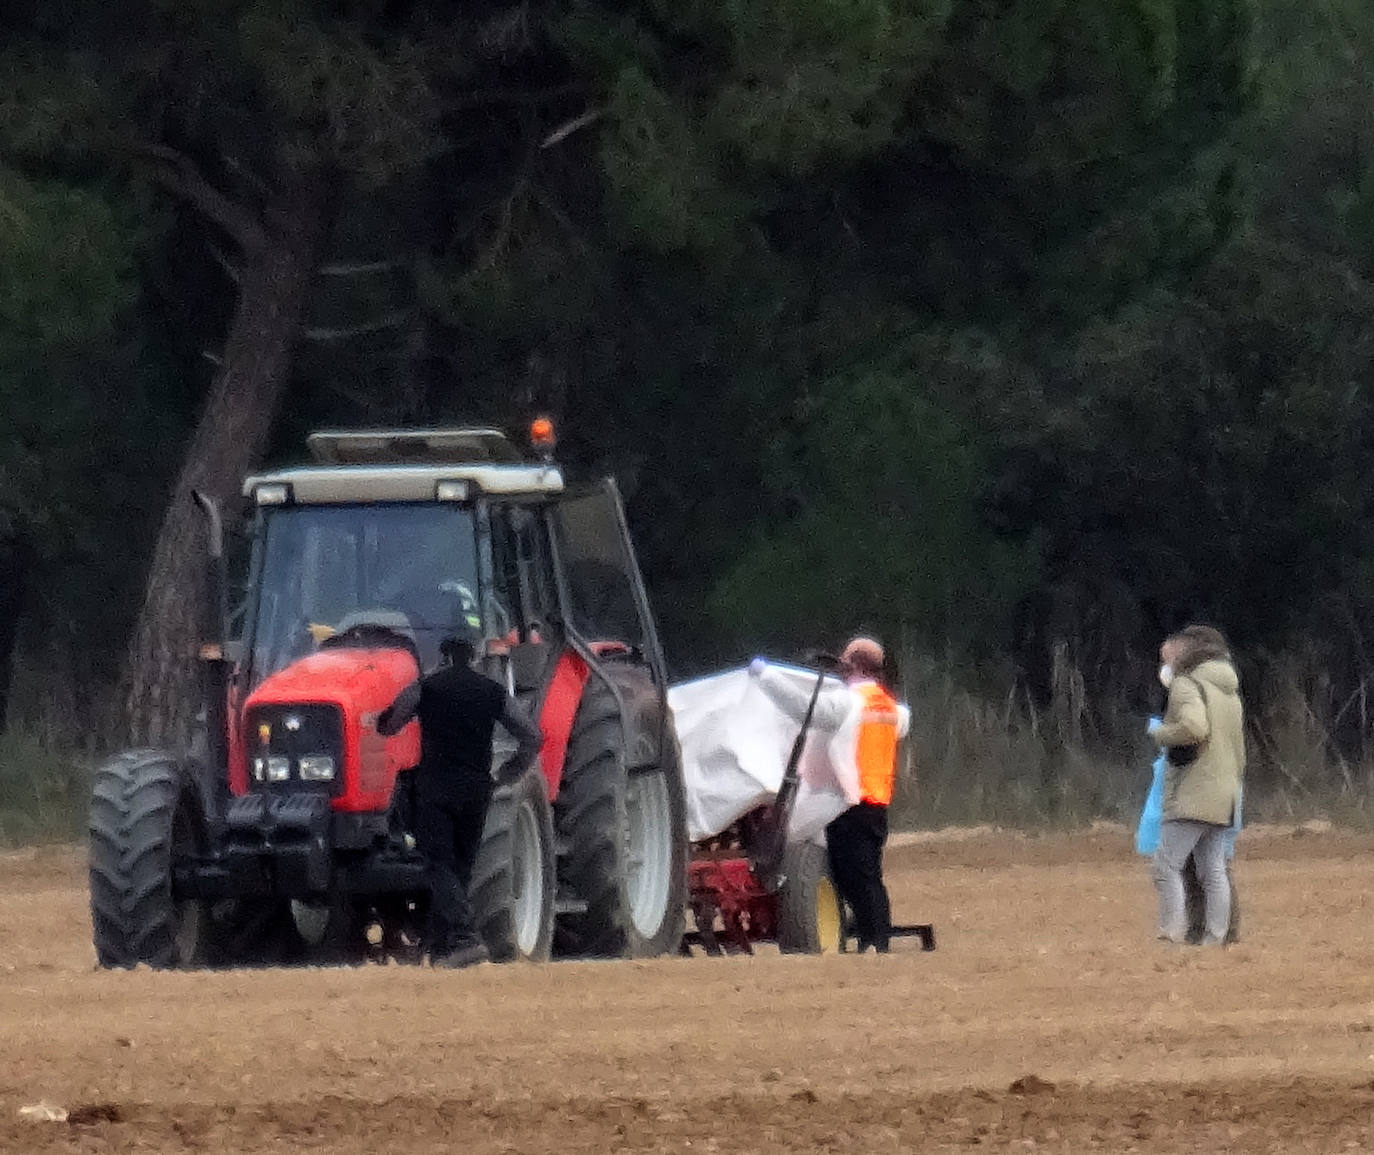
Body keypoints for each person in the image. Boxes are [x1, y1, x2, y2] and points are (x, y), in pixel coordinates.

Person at [377, 628, 543, 968]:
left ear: (443, 656)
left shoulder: (427, 688)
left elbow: (391, 723)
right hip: (477, 791)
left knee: (439, 865)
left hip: (435, 790)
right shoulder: (492, 691)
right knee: (461, 868)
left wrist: (382, 719)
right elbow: (531, 735)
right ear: (475, 657)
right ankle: (442, 950)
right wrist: (511, 772)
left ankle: (465, 938)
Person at [751, 636, 910, 952]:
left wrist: (765, 676)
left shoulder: (849, 703)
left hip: (851, 802)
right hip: (877, 801)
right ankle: (872, 934)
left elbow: (805, 709)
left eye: (845, 661)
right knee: (867, 874)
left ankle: (876, 940)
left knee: (856, 877)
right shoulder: (892, 709)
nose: (840, 667)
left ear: (856, 666)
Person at [1147, 624, 1245, 946]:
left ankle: (1170, 932)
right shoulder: (1228, 691)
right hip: (1225, 792)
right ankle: (1216, 938)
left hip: (1193, 790)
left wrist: (1161, 733)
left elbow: (1193, 727)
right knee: (1213, 869)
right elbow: (1238, 750)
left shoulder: (1187, 685)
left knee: (1166, 865)